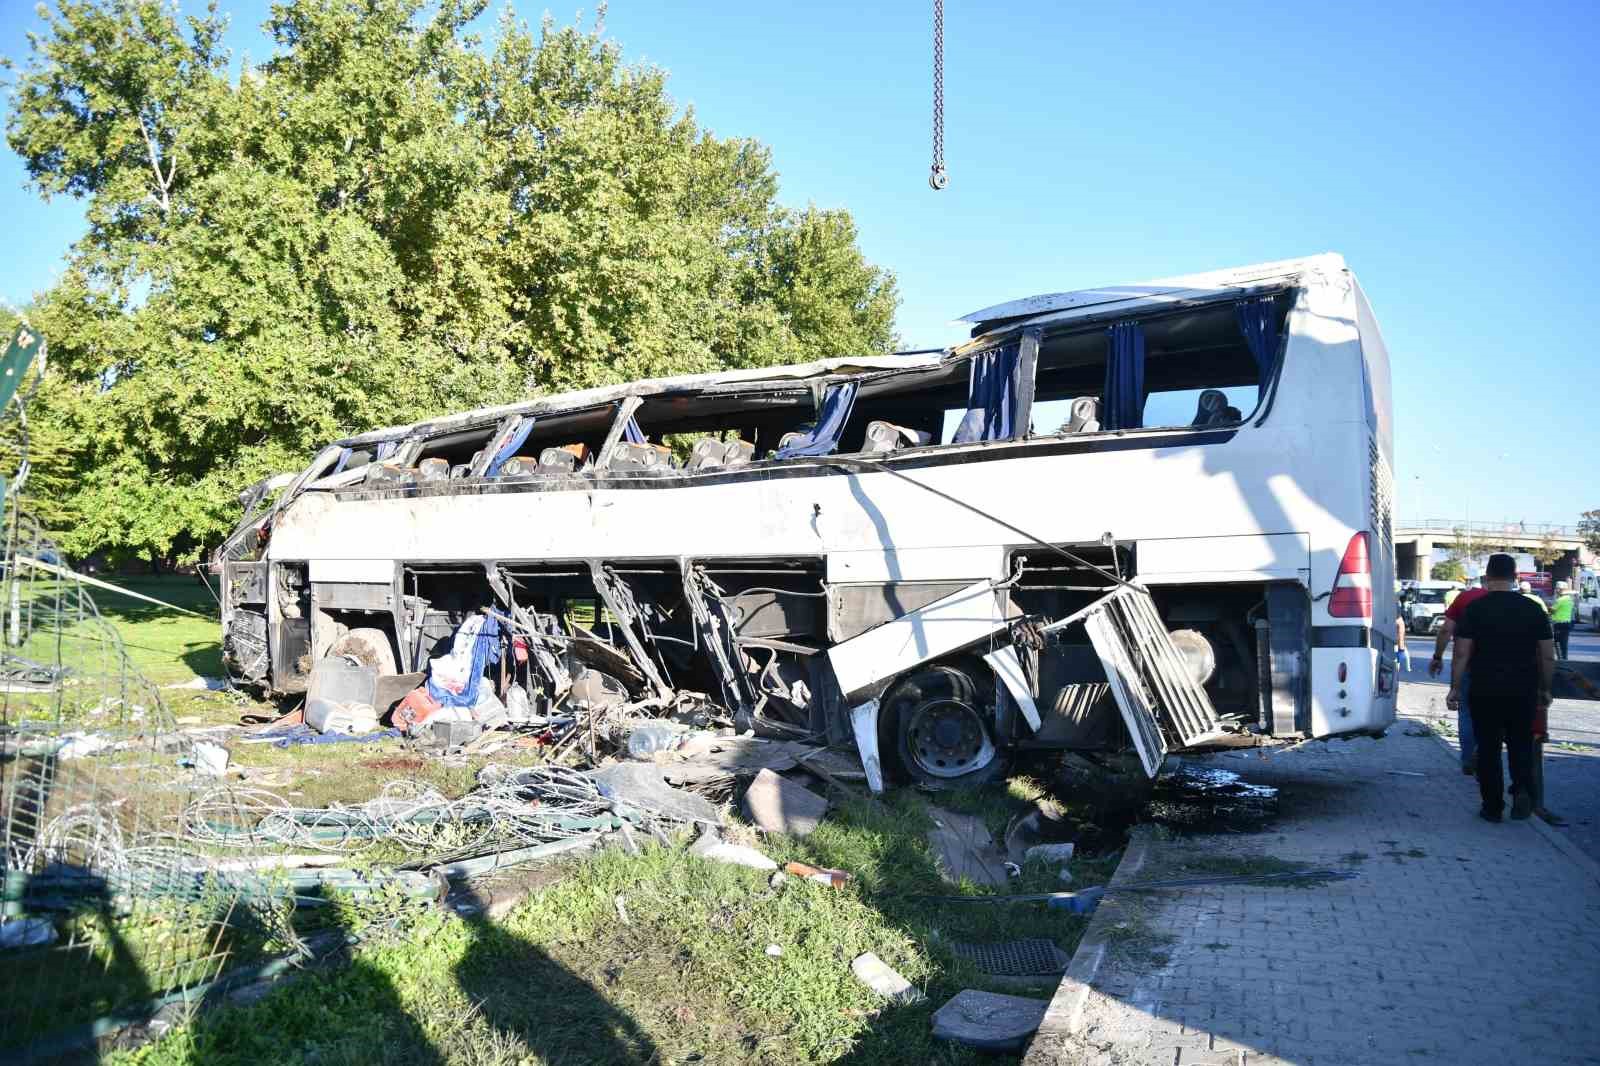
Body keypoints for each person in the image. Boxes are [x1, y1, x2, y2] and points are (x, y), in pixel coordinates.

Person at [1446, 553, 1554, 823]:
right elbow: (1547, 655)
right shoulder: (1534, 609)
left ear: (1488, 577)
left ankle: (1492, 807)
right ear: (1515, 577)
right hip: (1523, 690)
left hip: (1485, 689)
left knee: (1489, 748)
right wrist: (1545, 688)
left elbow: (1461, 652)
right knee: (1521, 745)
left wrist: (1455, 688)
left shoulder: (1475, 609)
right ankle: (1521, 792)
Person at [1431, 576, 1487, 773]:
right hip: (1502, 669)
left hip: (1468, 667)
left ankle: (1468, 760)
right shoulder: (1514, 601)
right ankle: (1486, 754)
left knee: (1466, 713)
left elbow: (1446, 630)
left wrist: (1437, 656)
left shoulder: (1465, 598)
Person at [1549, 580, 1575, 660]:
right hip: (1567, 623)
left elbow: (1552, 610)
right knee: (1564, 643)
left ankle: (1561, 659)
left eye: (1557, 589)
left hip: (1559, 624)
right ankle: (1564, 658)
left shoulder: (1560, 600)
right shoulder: (1569, 599)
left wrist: (1547, 608)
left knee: (1557, 643)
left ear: (1561, 590)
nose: (1556, 590)